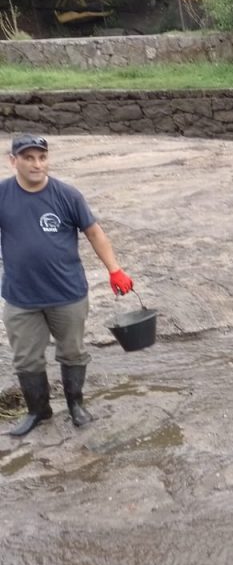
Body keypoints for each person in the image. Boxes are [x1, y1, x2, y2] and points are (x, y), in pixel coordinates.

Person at [1, 134, 135, 436]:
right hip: (21, 297)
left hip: (67, 294)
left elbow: (94, 233)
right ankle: (38, 411)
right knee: (26, 358)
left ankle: (75, 405)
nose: (37, 164)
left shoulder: (67, 195)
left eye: (42, 157)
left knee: (72, 352)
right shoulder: (3, 194)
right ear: (13, 161)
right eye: (29, 158)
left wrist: (115, 270)